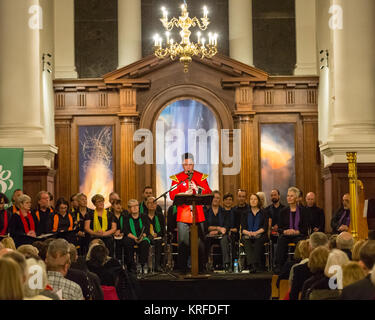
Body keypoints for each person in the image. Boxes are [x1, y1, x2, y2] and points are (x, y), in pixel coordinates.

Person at [169, 152, 212, 273]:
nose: (189, 167)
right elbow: (172, 195)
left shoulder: (201, 176)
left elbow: (208, 192)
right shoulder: (177, 178)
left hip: (198, 215)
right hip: (183, 215)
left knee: (200, 243)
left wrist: (197, 188)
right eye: (186, 164)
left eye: (191, 164)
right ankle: (183, 268)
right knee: (183, 243)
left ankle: (200, 268)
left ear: (194, 164)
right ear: (183, 165)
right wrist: (184, 194)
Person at [275, 187, 309, 273]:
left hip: (299, 235)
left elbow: (306, 228)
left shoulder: (304, 211)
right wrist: (284, 231)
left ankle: (298, 265)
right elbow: (279, 228)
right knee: (281, 240)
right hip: (286, 235)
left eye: (291, 196)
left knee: (300, 241)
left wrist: (297, 231)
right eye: (288, 196)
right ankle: (279, 266)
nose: (289, 198)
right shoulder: (283, 211)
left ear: (297, 198)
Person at [289, 232, 328, 300]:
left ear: (310, 247)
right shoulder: (335, 269)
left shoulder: (299, 270)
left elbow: (293, 296)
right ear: (328, 246)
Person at [205, 191, 231, 272]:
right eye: (214, 198)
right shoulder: (206, 212)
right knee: (205, 239)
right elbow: (206, 226)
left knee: (224, 240)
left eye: (217, 198)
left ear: (220, 200)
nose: (215, 199)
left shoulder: (224, 212)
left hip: (221, 235)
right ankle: (207, 264)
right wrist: (218, 228)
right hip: (210, 235)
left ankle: (226, 264)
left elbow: (226, 226)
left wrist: (217, 230)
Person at [241, 193, 268, 273]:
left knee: (258, 241)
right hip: (248, 234)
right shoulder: (245, 213)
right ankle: (253, 264)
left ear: (258, 201)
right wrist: (249, 233)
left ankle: (253, 264)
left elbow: (265, 227)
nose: (253, 201)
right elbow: (242, 229)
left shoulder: (264, 212)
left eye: (255, 199)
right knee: (245, 240)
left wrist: (256, 233)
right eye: (251, 199)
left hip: (261, 234)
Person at [123, 199, 150, 274]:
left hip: (142, 237)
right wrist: (135, 238)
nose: (135, 208)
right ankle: (131, 265)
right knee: (127, 242)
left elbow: (146, 230)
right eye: (132, 206)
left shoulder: (144, 216)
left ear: (138, 207)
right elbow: (126, 231)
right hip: (131, 237)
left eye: (136, 205)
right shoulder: (126, 217)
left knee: (145, 243)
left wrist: (141, 238)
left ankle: (142, 264)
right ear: (129, 208)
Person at [143, 196, 166, 272]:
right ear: (146, 205)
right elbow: (142, 229)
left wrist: (158, 234)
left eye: (154, 203)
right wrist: (150, 235)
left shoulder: (160, 216)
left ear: (156, 205)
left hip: (158, 238)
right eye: (150, 203)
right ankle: (147, 265)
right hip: (148, 237)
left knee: (158, 241)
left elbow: (163, 230)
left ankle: (157, 265)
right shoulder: (143, 216)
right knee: (147, 242)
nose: (152, 204)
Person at [232, 189, 250, 263]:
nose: (241, 198)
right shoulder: (233, 210)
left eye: (243, 197)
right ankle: (234, 262)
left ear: (245, 198)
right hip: (236, 233)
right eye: (239, 196)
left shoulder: (249, 209)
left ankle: (248, 262)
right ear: (237, 197)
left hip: (247, 232)